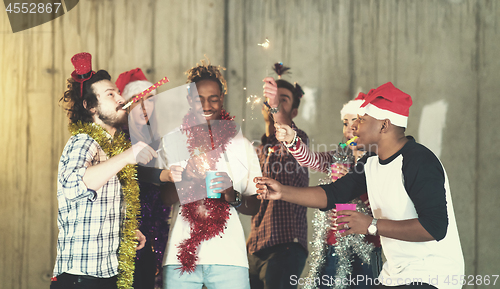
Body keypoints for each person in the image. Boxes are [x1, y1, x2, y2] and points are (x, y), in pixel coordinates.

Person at [255, 82, 464, 289]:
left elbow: (434, 227)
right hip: (394, 274)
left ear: (384, 125)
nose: (354, 126)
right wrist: (282, 192)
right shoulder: (371, 161)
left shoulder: (419, 160)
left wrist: (370, 225)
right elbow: (333, 194)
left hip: (433, 275)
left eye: (362, 120)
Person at [51, 53, 157, 289]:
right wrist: (129, 156)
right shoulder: (84, 141)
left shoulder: (112, 148)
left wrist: (126, 229)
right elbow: (73, 185)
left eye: (118, 93)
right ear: (90, 106)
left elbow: (98, 206)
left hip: (107, 276)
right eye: (111, 94)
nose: (120, 98)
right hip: (80, 279)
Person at [159, 60, 262, 289]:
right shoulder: (172, 141)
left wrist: (231, 195)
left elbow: (255, 205)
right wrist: (186, 177)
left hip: (230, 257)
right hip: (180, 255)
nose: (206, 105)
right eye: (199, 99)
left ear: (222, 98)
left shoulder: (241, 145)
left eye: (213, 98)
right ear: (189, 100)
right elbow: (163, 198)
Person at [274, 95, 382, 288]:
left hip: (365, 250)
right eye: (345, 122)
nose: (349, 128)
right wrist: (292, 140)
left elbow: (382, 210)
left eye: (355, 121)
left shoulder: (379, 161)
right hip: (331, 247)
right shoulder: (339, 157)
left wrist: (351, 184)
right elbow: (310, 159)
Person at [247, 63, 309, 289]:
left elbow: (284, 136)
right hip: (256, 248)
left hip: (285, 247)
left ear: (293, 112)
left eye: (283, 99)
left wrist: (276, 110)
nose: (274, 103)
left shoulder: (296, 139)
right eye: (273, 98)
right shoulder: (257, 149)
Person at [115, 68, 174, 289]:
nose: (143, 106)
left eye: (149, 99)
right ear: (126, 104)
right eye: (136, 100)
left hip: (154, 231)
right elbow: (128, 171)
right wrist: (162, 175)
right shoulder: (117, 140)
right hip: (125, 230)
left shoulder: (159, 141)